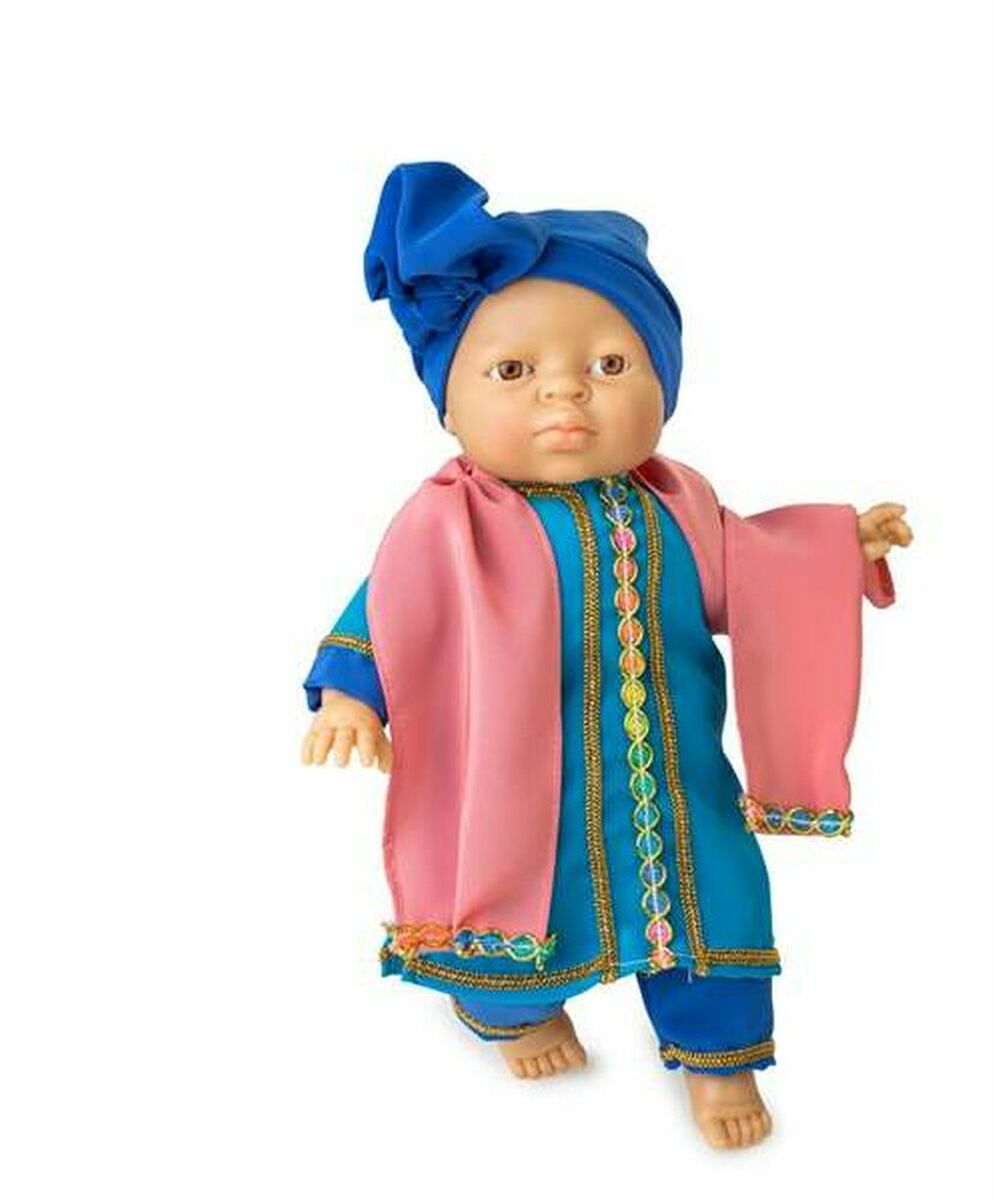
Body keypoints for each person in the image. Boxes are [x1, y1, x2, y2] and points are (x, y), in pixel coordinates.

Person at [300, 162, 912, 1150]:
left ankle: (719, 1060)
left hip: (677, 783)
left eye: (610, 364)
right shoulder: (445, 527)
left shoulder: (677, 503)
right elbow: (387, 612)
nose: (565, 391)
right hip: (516, 794)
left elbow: (750, 573)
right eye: (513, 372)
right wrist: (348, 697)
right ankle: (513, 1014)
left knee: (714, 913)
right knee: (506, 917)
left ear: (663, 382)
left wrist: (837, 550)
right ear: (449, 403)